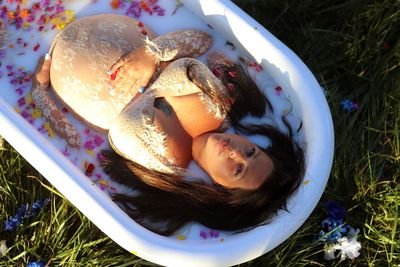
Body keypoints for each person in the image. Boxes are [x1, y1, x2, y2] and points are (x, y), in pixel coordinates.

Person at [32, 14, 305, 235]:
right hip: (98, 17)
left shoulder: (163, 168)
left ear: (219, 188)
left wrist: (40, 93)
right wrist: (153, 54)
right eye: (251, 152)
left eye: (237, 169)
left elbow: (73, 139)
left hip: (50, 54)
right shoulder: (222, 104)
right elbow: (203, 39)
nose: (235, 151)